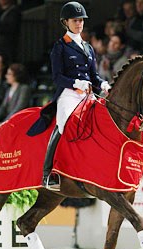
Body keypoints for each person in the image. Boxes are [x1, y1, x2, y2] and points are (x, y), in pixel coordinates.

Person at [42, 1, 111, 191]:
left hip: (88, 94)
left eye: (81, 20)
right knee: (63, 122)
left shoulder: (88, 48)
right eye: (75, 20)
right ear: (66, 22)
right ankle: (48, 173)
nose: (79, 24)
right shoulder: (60, 47)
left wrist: (103, 84)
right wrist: (75, 83)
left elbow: (94, 76)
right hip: (69, 94)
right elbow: (57, 77)